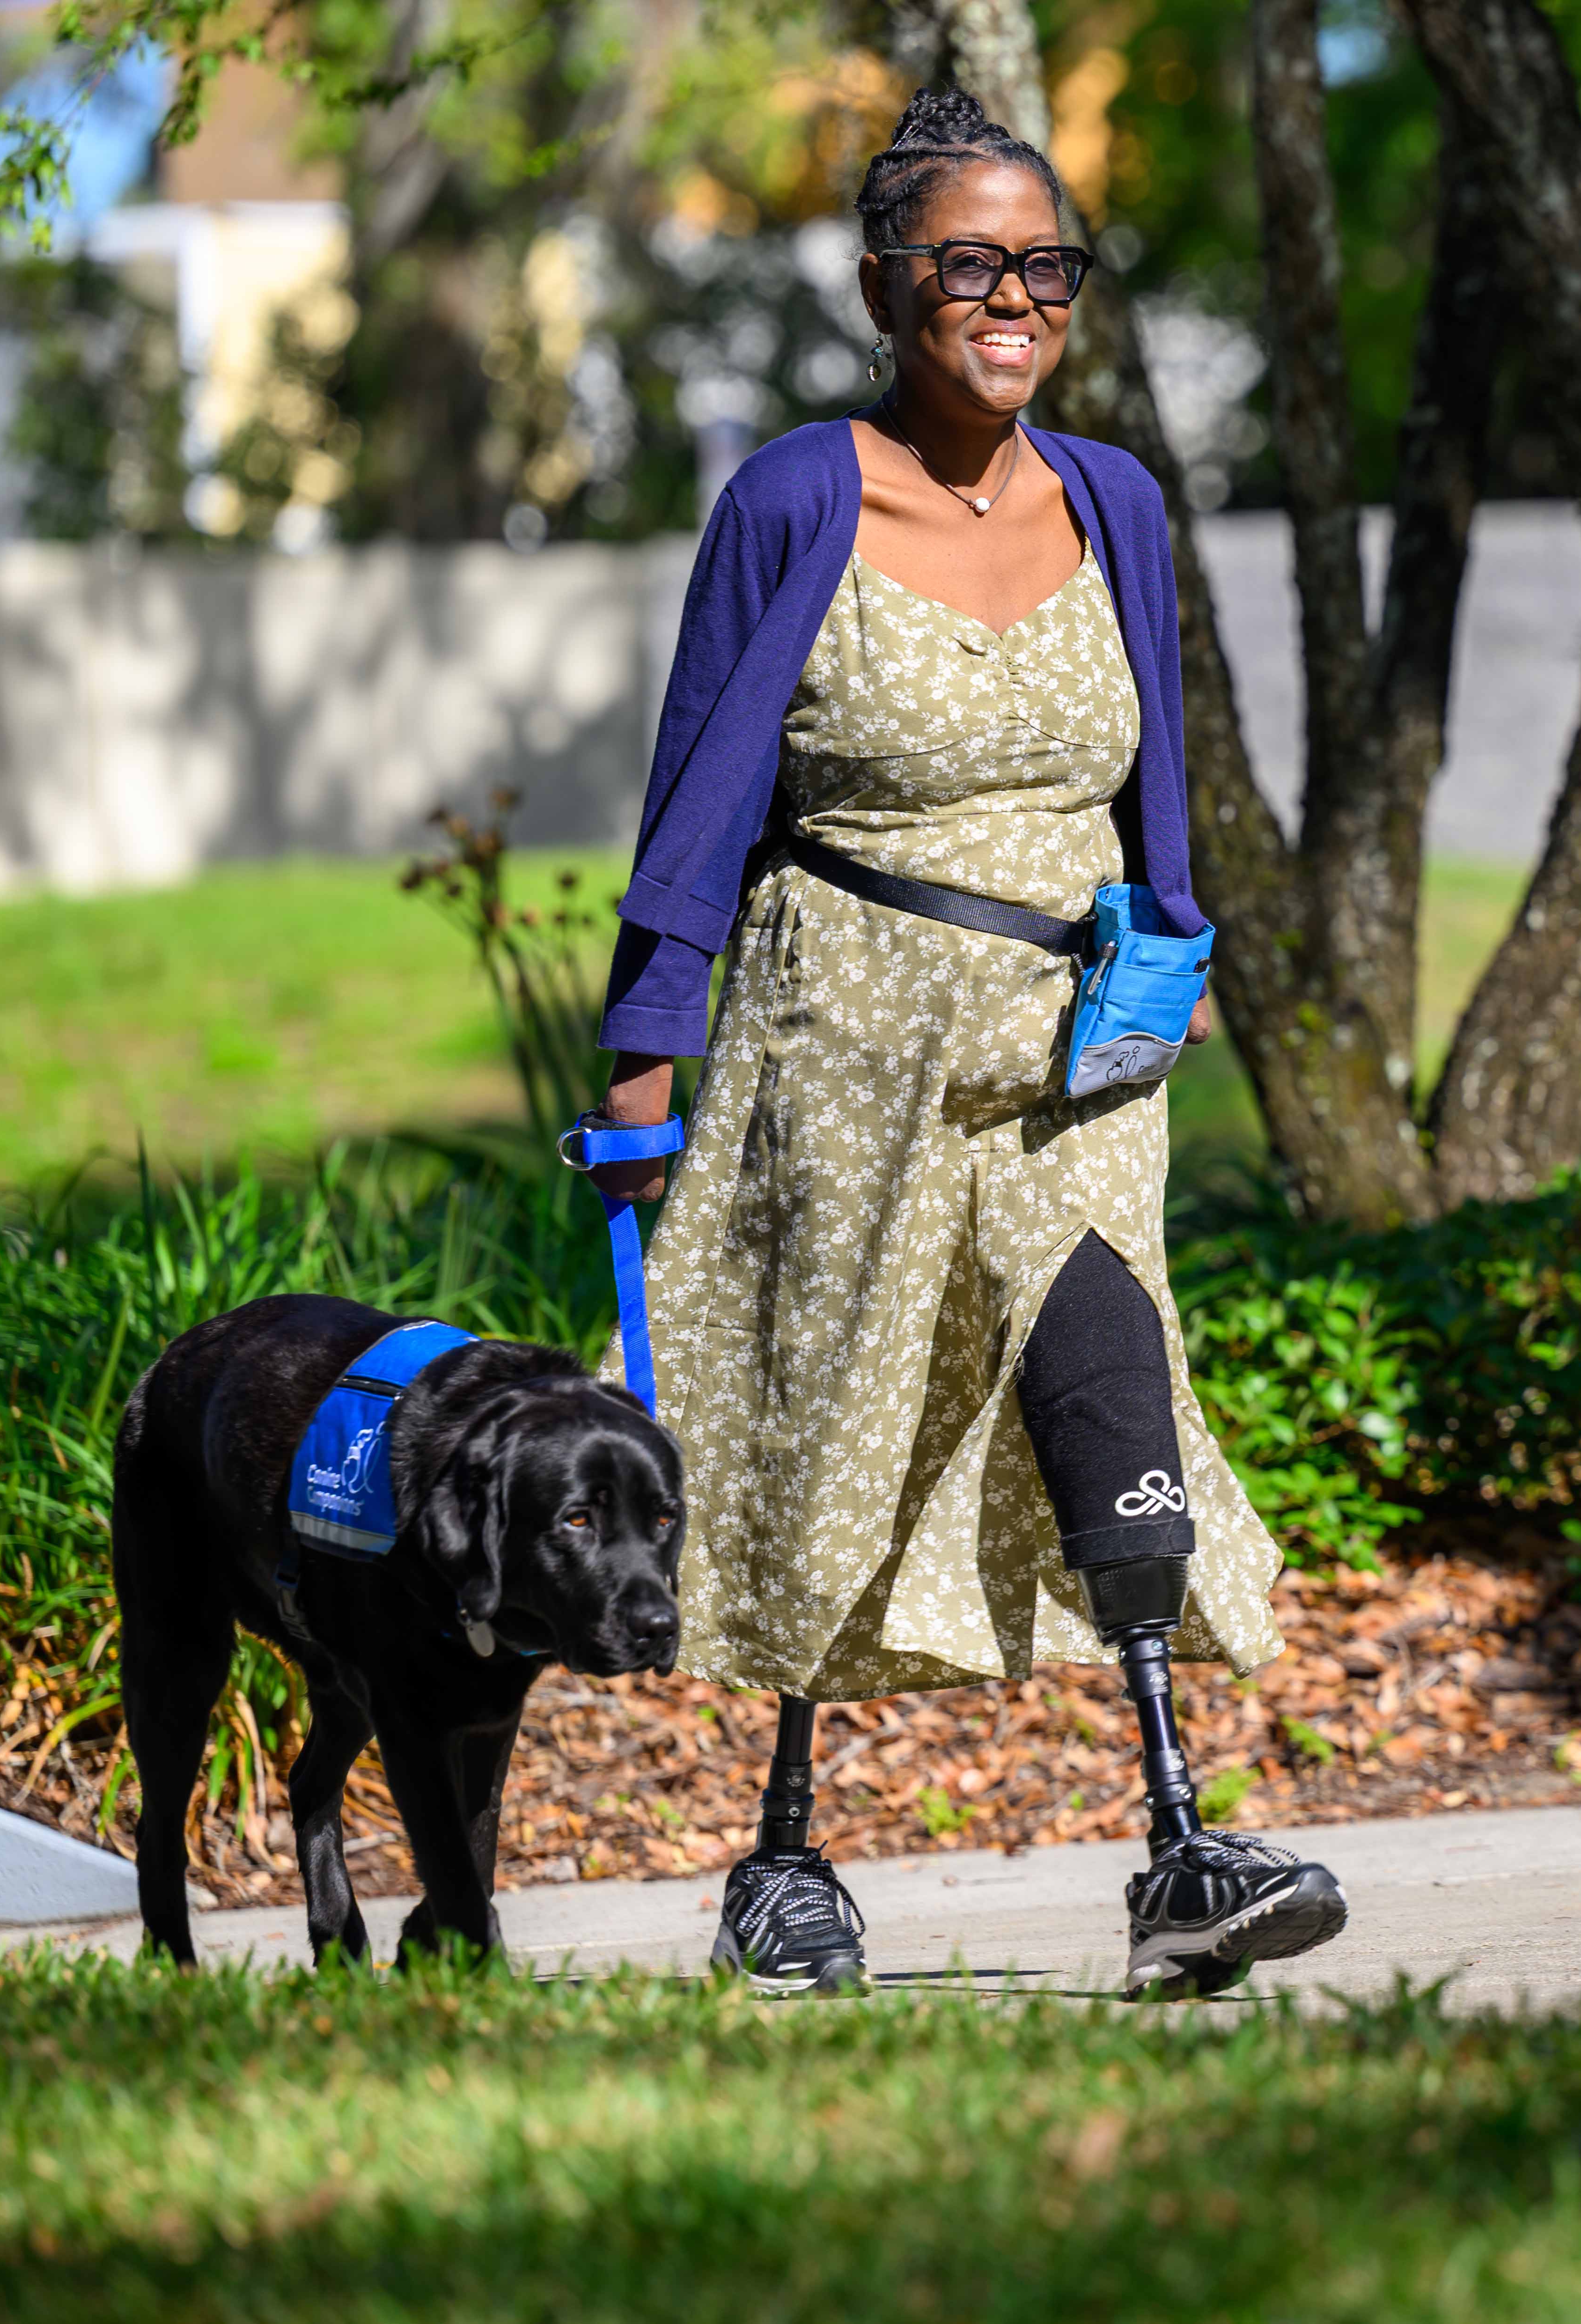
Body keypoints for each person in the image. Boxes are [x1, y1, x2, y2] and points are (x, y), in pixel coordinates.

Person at [585, 85, 1345, 1999]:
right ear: (881, 285)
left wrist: (1171, 964)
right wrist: (641, 1060)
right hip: (842, 1033)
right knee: (842, 1408)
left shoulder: (1116, 500)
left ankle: (1180, 1833)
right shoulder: (796, 497)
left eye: (1044, 265)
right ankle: (784, 1852)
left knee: (1108, 1364)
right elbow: (699, 795)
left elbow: (1159, 778)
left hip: (1070, 1039)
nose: (1011, 296)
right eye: (968, 263)